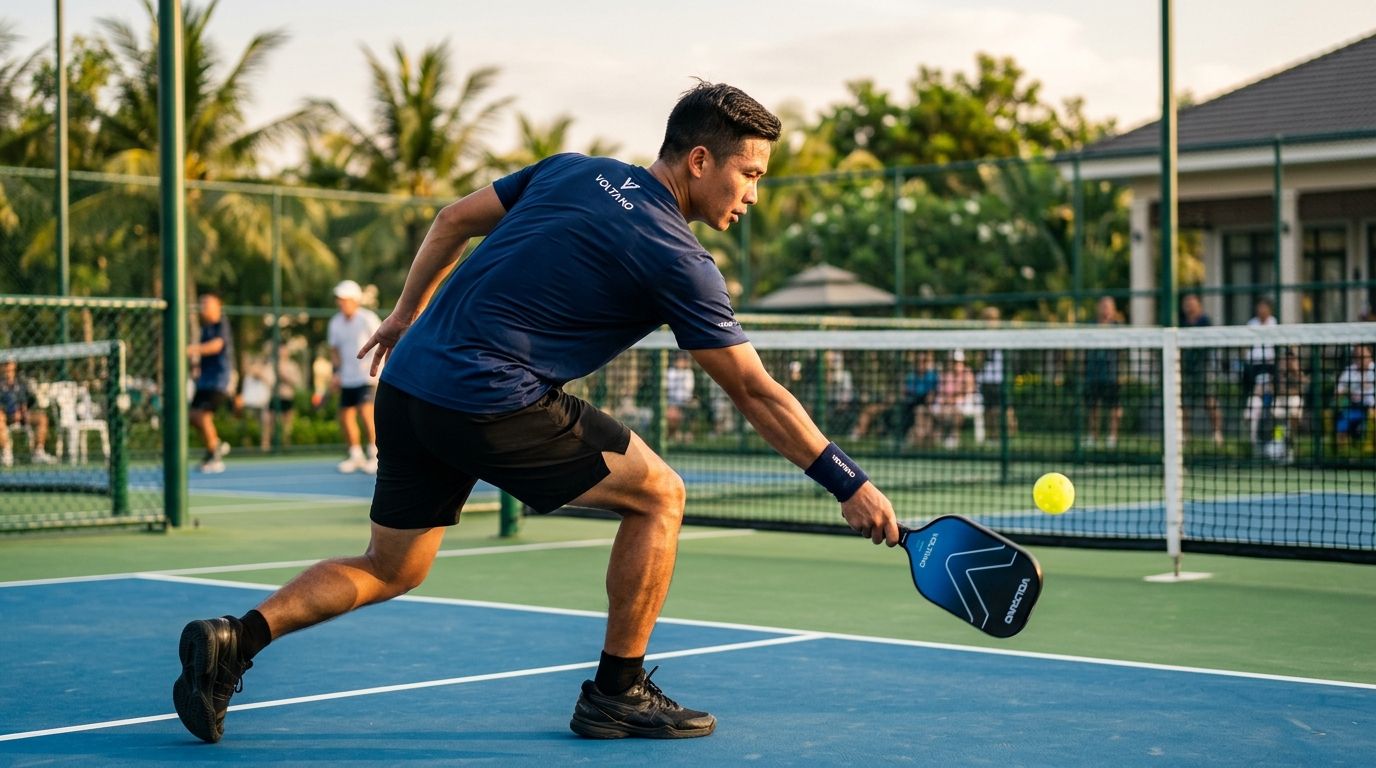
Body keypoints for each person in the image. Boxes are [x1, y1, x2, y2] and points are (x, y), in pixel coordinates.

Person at [171, 81, 898, 744]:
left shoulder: (572, 169)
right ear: (701, 160)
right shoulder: (682, 260)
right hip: (488, 396)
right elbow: (754, 391)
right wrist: (848, 483)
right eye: (751, 175)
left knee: (392, 567)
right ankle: (618, 692)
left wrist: (401, 317)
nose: (754, 195)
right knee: (660, 497)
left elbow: (453, 219)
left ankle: (237, 639)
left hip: (410, 384)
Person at [326, 280, 384, 474]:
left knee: (366, 412)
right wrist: (336, 373)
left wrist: (380, 369)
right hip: (347, 378)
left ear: (355, 300)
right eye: (339, 299)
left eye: (345, 299)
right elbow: (334, 351)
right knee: (345, 416)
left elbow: (383, 341)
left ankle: (375, 454)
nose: (341, 302)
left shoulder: (368, 318)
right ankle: (355, 454)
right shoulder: (335, 323)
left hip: (368, 377)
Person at [189, 293, 233, 473]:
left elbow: (217, 346)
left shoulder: (221, 324)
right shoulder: (205, 329)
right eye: (201, 304)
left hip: (219, 380)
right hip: (204, 381)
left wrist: (190, 350)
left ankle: (214, 454)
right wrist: (195, 366)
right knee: (192, 416)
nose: (203, 307)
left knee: (203, 415)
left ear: (218, 306)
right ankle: (214, 445)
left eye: (207, 304)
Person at [1179, 294, 1224, 447]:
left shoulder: (1205, 321)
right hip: (1186, 370)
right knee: (1183, 405)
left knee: (1210, 401)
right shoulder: (1182, 323)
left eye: (1191, 303)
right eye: (1186, 304)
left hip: (1204, 369)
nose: (1188, 306)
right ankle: (1184, 436)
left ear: (1199, 305)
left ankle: (1217, 433)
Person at [0, 360, 56, 467]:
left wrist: (23, 411)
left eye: (10, 365)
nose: (8, 369)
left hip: (22, 415)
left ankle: (38, 452)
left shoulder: (20, 382)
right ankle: (6, 454)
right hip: (5, 416)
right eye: (6, 365)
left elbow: (26, 401)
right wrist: (8, 412)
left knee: (42, 418)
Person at [1084, 296, 1122, 449]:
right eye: (1103, 306)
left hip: (1111, 373)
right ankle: (1093, 436)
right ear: (1098, 307)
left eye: (1109, 306)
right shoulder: (1091, 326)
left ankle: (1112, 438)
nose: (1105, 309)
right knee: (1093, 407)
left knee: (1114, 407)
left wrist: (1120, 373)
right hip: (1093, 374)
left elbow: (1121, 353)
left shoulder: (1118, 327)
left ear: (1113, 309)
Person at [975, 307, 1016, 442]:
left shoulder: (1004, 335)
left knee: (1005, 408)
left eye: (992, 319)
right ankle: (992, 436)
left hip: (1000, 379)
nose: (990, 322)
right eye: (987, 319)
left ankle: (1010, 433)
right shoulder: (980, 338)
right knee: (989, 409)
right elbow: (978, 360)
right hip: (985, 379)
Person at [930, 350, 976, 449]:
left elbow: (969, 392)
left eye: (957, 362)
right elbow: (941, 391)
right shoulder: (944, 374)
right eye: (953, 362)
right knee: (937, 410)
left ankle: (954, 436)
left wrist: (954, 399)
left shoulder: (968, 374)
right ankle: (938, 437)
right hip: (945, 402)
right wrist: (947, 400)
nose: (955, 365)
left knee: (955, 412)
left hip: (963, 402)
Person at [1241, 297, 1278, 409]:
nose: (1261, 310)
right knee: (1253, 394)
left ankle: (1266, 409)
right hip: (1252, 365)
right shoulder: (1251, 323)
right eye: (1259, 307)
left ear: (1269, 309)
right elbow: (1245, 345)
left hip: (1268, 365)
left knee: (1264, 392)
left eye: (1264, 307)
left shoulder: (1274, 323)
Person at [1335, 344, 1375, 447]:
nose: (1360, 358)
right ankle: (1343, 453)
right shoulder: (1349, 371)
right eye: (1357, 355)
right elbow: (1338, 392)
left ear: (1370, 355)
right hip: (1353, 407)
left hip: (1372, 408)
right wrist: (1348, 391)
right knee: (1342, 420)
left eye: (1363, 355)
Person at [664, 353, 697, 442]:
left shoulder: (688, 372)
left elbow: (688, 389)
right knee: (671, 413)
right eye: (679, 360)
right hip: (671, 401)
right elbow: (669, 388)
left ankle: (688, 435)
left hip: (685, 401)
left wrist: (686, 400)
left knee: (694, 407)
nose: (681, 362)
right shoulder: (670, 372)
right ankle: (674, 434)